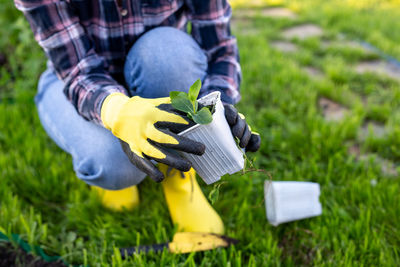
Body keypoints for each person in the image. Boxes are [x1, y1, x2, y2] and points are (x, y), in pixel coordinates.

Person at [14, 0, 261, 235]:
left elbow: (219, 48)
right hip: (77, 81)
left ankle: (180, 182)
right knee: (113, 164)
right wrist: (118, 112)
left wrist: (218, 105)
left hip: (159, 66)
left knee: (168, 54)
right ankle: (122, 172)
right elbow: (77, 71)